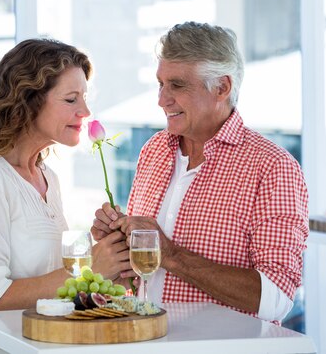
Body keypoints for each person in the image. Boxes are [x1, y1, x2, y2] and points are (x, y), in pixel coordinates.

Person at [92, 22, 309, 322]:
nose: (161, 99)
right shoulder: (152, 151)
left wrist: (170, 255)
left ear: (222, 87)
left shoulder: (273, 167)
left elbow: (276, 300)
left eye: (177, 85)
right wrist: (117, 246)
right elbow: (139, 283)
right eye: (160, 84)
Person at [0, 38, 130, 354]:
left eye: (84, 97)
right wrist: (90, 268)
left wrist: (97, 249)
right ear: (27, 101)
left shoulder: (47, 178)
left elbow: (50, 282)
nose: (85, 111)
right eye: (70, 99)